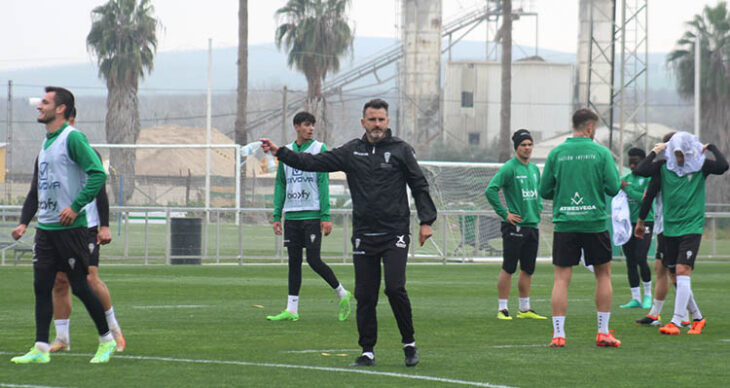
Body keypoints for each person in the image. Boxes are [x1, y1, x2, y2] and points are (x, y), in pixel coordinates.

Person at [261, 98, 437, 368]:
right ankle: (367, 351)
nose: (376, 124)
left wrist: (427, 221)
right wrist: (280, 152)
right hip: (364, 234)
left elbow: (419, 184)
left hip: (394, 233)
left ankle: (409, 343)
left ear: (387, 122)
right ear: (363, 122)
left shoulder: (401, 150)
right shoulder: (351, 151)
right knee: (365, 295)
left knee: (394, 288)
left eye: (381, 119)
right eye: (371, 119)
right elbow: (312, 162)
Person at [10, 86, 116, 364]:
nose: (39, 106)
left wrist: (76, 206)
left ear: (60, 109)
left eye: (45, 102)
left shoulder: (73, 139)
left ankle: (107, 340)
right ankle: (41, 348)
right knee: (42, 286)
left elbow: (97, 176)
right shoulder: (45, 145)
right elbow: (37, 189)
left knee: (81, 286)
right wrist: (24, 222)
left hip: (71, 230)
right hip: (45, 230)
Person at [539, 108, 622, 348]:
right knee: (603, 275)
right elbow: (614, 188)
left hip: (565, 223)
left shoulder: (557, 153)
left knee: (561, 279)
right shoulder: (600, 153)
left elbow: (545, 191)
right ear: (589, 127)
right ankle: (603, 332)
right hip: (594, 222)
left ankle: (558, 335)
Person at [632, 132, 727, 335]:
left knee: (683, 271)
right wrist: (654, 151)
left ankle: (676, 322)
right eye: (677, 154)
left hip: (691, 228)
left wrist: (710, 147)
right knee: (675, 274)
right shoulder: (664, 167)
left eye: (683, 154)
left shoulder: (701, 166)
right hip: (670, 228)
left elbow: (723, 166)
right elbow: (641, 171)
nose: (680, 158)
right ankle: (698, 318)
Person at [267, 111, 352, 322]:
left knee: (314, 260)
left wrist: (325, 215)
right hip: (292, 216)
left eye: (312, 125)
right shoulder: (285, 153)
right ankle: (292, 310)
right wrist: (277, 214)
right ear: (296, 126)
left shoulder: (318, 149)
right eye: (306, 125)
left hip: (312, 214)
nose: (311, 128)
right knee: (293, 262)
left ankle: (342, 292)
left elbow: (323, 182)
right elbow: (280, 183)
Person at [485, 129, 546, 320]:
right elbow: (491, 190)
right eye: (523, 145)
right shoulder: (509, 168)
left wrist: (539, 208)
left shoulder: (534, 169)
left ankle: (524, 309)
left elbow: (538, 192)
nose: (527, 148)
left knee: (528, 268)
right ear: (516, 148)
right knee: (509, 267)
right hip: (514, 226)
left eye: (529, 144)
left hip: (532, 225)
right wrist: (505, 214)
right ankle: (503, 309)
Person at [618, 148, 654, 309]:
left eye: (636, 162)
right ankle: (635, 298)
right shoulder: (625, 179)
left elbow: (644, 199)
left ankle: (648, 296)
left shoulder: (649, 179)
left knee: (641, 257)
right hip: (628, 224)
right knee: (630, 260)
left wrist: (628, 189)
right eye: (630, 162)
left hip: (645, 222)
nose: (632, 165)